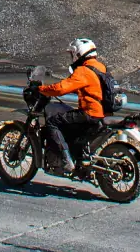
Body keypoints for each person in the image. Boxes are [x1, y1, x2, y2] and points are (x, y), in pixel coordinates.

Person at [35, 38, 108, 170]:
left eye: (72, 54)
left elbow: (61, 88)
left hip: (89, 112)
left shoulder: (83, 70)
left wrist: (42, 89)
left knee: (52, 121)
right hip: (102, 112)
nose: (71, 57)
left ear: (78, 53)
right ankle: (77, 155)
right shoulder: (100, 67)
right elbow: (91, 87)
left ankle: (65, 160)